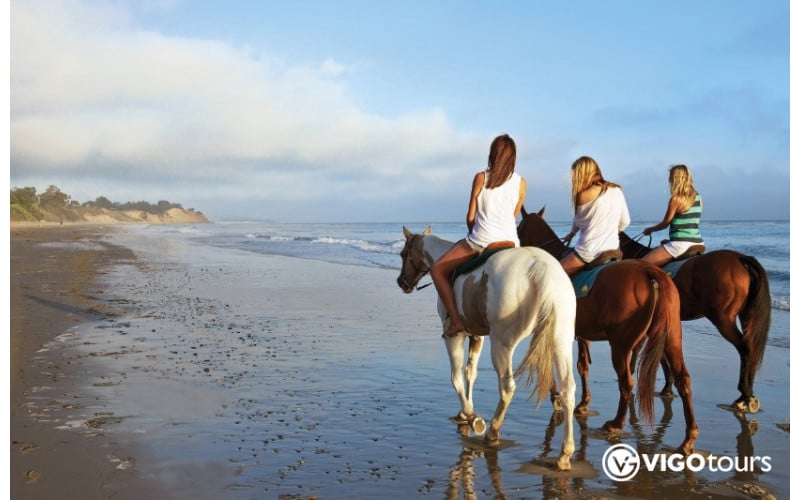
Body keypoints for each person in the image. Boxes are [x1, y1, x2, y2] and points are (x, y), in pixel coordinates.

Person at [430, 134, 527, 338]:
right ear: (513, 157)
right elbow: (513, 216)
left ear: (493, 154)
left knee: (437, 269)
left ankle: (456, 322)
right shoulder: (521, 183)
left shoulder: (481, 178)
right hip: (511, 242)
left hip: (482, 241)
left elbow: (471, 216)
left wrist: (475, 230)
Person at [560, 156, 630, 277]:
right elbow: (626, 221)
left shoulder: (583, 195)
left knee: (553, 274)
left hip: (589, 252)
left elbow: (580, 221)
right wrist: (611, 231)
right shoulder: (617, 190)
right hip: (613, 248)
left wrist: (572, 233)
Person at [640, 164, 703, 266]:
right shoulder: (698, 198)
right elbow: (689, 224)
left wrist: (650, 230)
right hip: (698, 243)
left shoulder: (676, 200)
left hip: (680, 245)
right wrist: (670, 241)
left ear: (675, 179)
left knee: (640, 265)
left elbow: (665, 224)